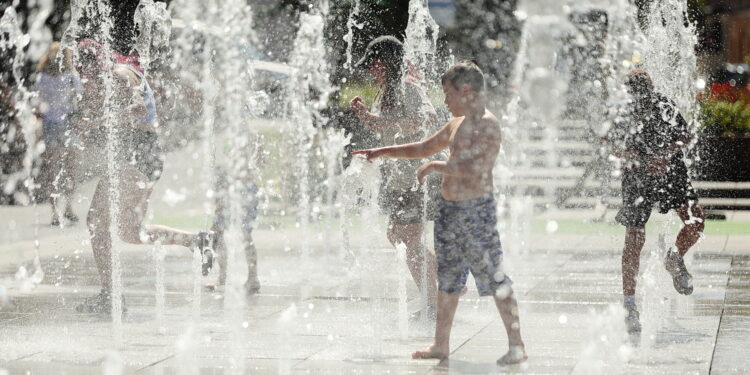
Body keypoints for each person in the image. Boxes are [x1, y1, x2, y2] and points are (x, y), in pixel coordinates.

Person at [352, 61, 527, 365]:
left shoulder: (487, 124)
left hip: (475, 212)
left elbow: (478, 169)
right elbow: (423, 147)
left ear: (466, 90)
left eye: (448, 94)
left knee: (495, 278)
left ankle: (516, 344)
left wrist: (437, 166)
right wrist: (380, 152)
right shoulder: (456, 123)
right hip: (449, 211)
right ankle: (440, 344)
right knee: (448, 278)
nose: (444, 101)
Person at [74, 39, 213, 314]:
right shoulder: (121, 72)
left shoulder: (120, 75)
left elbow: (136, 111)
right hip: (144, 155)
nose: (85, 74)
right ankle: (197, 241)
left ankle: (112, 297)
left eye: (85, 67)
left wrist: (97, 123)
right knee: (130, 232)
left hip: (136, 153)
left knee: (96, 222)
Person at [607, 70, 705, 339]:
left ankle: (675, 257)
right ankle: (629, 305)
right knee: (634, 239)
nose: (643, 100)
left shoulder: (665, 105)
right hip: (637, 178)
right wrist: (637, 159)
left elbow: (686, 136)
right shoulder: (623, 113)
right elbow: (611, 145)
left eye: (646, 94)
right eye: (638, 95)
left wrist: (664, 155)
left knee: (695, 222)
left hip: (672, 172)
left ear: (651, 91)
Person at [349, 36, 440, 320]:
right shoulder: (385, 92)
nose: (372, 71)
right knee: (398, 236)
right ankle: (444, 283)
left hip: (417, 176)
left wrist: (381, 123)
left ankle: (435, 303)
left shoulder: (408, 88)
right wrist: (367, 118)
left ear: (388, 63)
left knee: (407, 238)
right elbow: (388, 130)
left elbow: (427, 119)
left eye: (375, 64)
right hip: (400, 178)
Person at [36, 42, 82, 226]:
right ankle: (66, 208)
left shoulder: (42, 77)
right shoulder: (71, 76)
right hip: (66, 125)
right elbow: (80, 98)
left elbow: (39, 103)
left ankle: (58, 212)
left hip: (52, 125)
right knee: (69, 170)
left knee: (54, 170)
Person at [211, 166, 261, 295]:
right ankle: (252, 278)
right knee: (243, 235)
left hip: (239, 187)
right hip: (246, 186)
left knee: (221, 232)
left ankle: (225, 277)